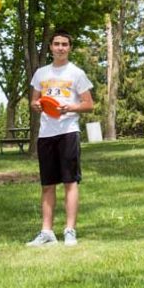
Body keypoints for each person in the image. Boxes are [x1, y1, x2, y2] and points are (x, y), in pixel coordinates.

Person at [27, 30, 94, 247]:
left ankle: (69, 231)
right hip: (46, 134)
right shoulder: (41, 74)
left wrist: (70, 107)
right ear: (51, 47)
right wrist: (36, 105)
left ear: (69, 48)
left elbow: (89, 104)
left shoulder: (76, 73)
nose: (60, 48)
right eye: (56, 44)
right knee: (47, 185)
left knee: (70, 182)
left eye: (65, 44)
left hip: (68, 132)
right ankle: (47, 232)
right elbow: (34, 102)